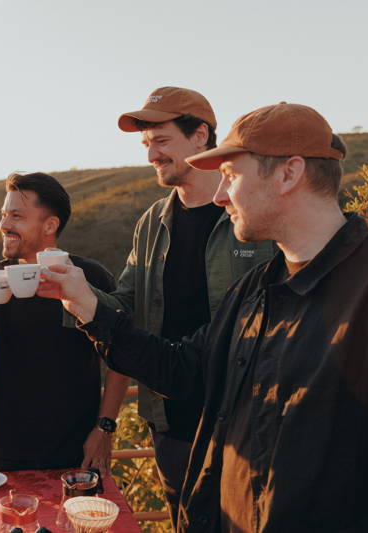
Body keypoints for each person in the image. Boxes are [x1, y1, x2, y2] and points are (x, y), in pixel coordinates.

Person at [40, 103, 368, 532]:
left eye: (231, 176)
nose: (220, 196)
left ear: (289, 174)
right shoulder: (256, 288)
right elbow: (183, 370)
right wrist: (86, 306)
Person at [72, 86, 274, 526]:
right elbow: (125, 306)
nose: (152, 156)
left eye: (161, 141)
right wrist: (71, 292)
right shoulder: (152, 222)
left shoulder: (251, 214)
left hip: (245, 426)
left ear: (200, 136)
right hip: (172, 426)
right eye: (147, 144)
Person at [0, 172, 128, 473]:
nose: (4, 225)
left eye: (16, 216)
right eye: (3, 215)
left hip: (79, 450)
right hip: (6, 452)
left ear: (50, 225)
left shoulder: (89, 277)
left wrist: (104, 428)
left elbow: (121, 355)